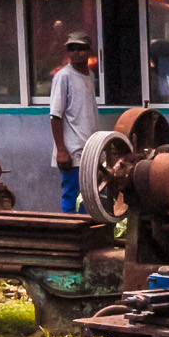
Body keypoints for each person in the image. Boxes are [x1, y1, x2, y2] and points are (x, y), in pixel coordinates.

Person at [49, 31, 98, 212]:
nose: (76, 52)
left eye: (81, 48)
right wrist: (61, 150)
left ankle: (87, 235)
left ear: (89, 51)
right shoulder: (63, 77)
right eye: (72, 48)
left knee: (90, 198)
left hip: (90, 150)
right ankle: (69, 234)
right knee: (71, 194)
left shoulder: (89, 76)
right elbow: (55, 116)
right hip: (71, 151)